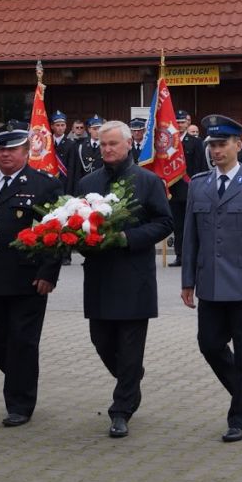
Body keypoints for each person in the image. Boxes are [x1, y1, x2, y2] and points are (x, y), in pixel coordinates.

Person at [181, 114, 242, 443]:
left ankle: (239, 418)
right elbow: (190, 238)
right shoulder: (198, 185)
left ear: (239, 145)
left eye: (222, 144)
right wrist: (187, 282)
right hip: (210, 284)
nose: (215, 150)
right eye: (211, 145)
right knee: (208, 343)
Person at [0, 126, 65, 428]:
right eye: (1, 150)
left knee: (22, 341)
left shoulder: (44, 185)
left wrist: (49, 273)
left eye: (12, 150)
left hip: (27, 279)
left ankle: (20, 403)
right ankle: (23, 377)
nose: (5, 154)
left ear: (25, 151)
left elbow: (57, 233)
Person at [77, 121, 172, 438]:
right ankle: (131, 380)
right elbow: (75, 222)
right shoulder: (88, 182)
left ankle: (121, 410)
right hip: (100, 277)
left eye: (113, 144)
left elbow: (164, 222)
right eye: (103, 144)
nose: (107, 149)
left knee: (130, 349)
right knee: (101, 341)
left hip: (133, 278)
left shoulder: (147, 181)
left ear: (129, 144)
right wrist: (80, 240)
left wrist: (127, 237)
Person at [167, 110, 208, 267]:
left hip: (191, 188)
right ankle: (180, 256)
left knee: (193, 224)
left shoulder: (197, 142)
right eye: (177, 122)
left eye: (183, 122)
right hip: (175, 191)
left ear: (188, 123)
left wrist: (200, 187)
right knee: (178, 225)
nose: (180, 124)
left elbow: (201, 166)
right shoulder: (169, 143)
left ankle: (195, 255)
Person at [66, 115, 104, 194]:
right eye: (94, 129)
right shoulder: (80, 146)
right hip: (85, 186)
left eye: (100, 129)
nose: (97, 131)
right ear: (89, 129)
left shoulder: (106, 145)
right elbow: (77, 171)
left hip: (101, 185)